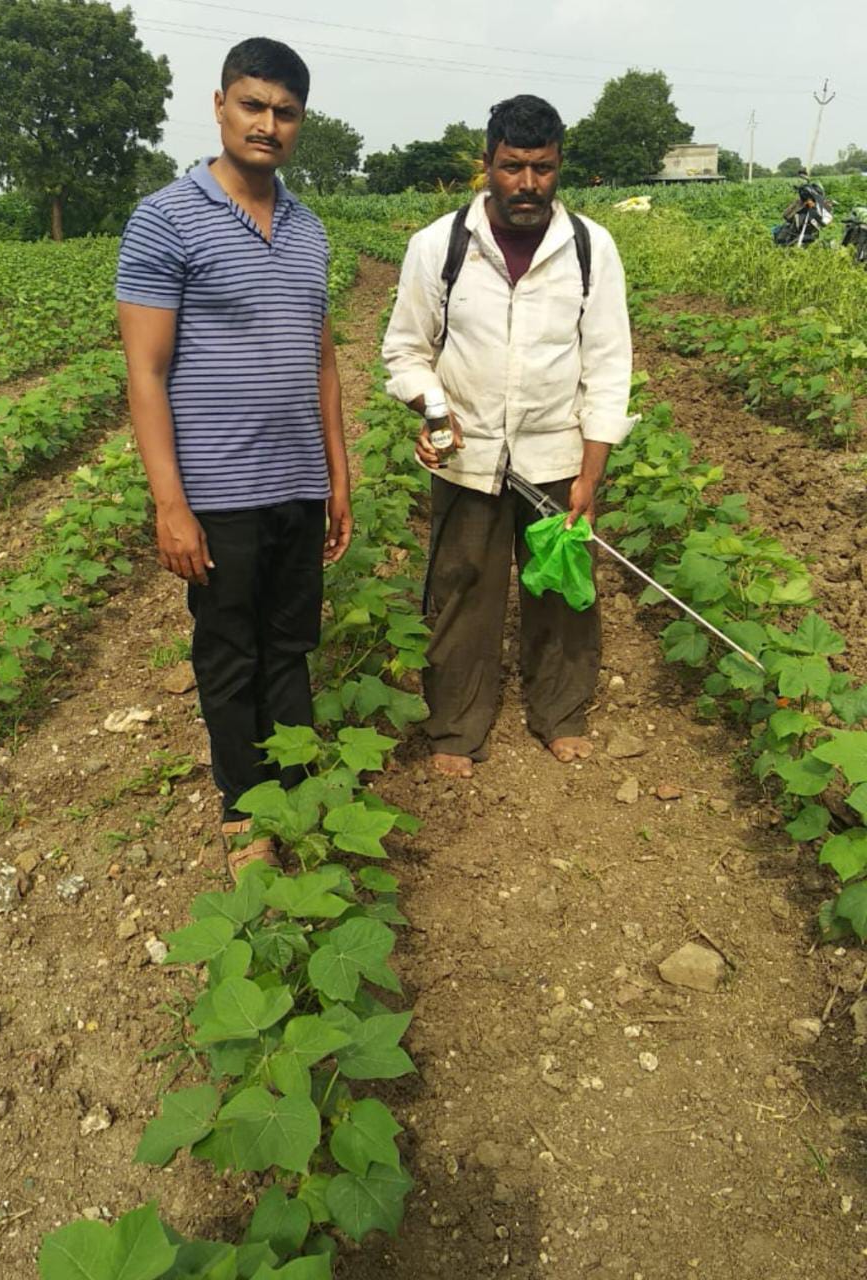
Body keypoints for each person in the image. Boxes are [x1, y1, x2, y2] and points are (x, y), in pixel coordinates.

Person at [115, 37, 352, 875]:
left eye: (285, 112)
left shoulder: (311, 229)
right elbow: (144, 371)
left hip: (295, 481)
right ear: (219, 106)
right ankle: (243, 809)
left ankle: (290, 785)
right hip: (217, 489)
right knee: (229, 652)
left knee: (290, 647)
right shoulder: (166, 218)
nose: (268, 124)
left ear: (300, 123)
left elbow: (320, 357)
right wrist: (169, 503)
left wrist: (338, 473)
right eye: (252, 105)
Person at [382, 94, 635, 780]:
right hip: (469, 460)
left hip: (557, 453)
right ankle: (456, 727)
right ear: (487, 164)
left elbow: (610, 365)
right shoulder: (439, 247)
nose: (527, 184)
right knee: (462, 589)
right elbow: (404, 352)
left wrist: (591, 471)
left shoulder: (588, 248)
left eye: (543, 168)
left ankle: (560, 713)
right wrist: (435, 410)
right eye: (512, 166)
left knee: (559, 592)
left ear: (560, 167)